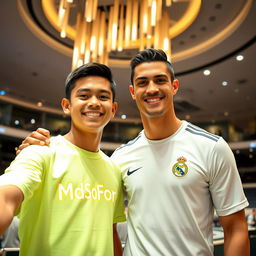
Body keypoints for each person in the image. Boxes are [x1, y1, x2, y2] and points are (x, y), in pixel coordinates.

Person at [16, 49, 250, 255]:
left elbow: (236, 229)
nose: (152, 89)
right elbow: (109, 228)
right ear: (132, 91)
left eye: (160, 80)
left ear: (174, 86)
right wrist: (31, 152)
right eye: (142, 82)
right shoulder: (120, 157)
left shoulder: (212, 146)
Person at [0, 63, 126, 256]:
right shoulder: (39, 152)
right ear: (67, 106)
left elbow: (111, 232)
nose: (94, 102)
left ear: (113, 108)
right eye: (83, 96)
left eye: (103, 97)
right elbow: (6, 196)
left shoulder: (114, 170)